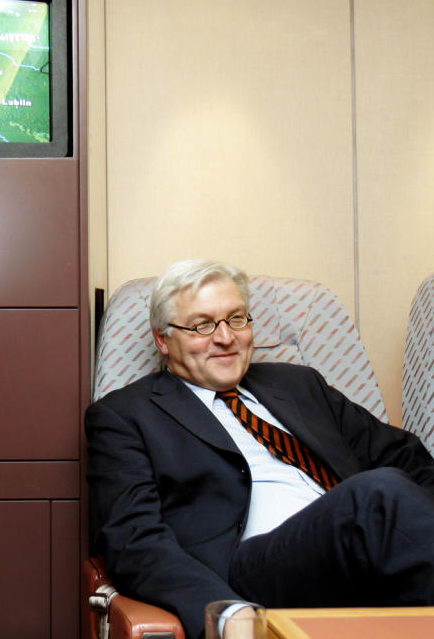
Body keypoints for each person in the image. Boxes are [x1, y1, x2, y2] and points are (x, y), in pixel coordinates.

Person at [86, 259, 434, 639]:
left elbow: (406, 457)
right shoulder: (124, 416)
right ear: (162, 340)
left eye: (237, 319)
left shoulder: (300, 384)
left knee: (387, 491)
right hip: (248, 571)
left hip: (364, 547)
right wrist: (225, 611)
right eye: (202, 325)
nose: (225, 337)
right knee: (378, 494)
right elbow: (134, 541)